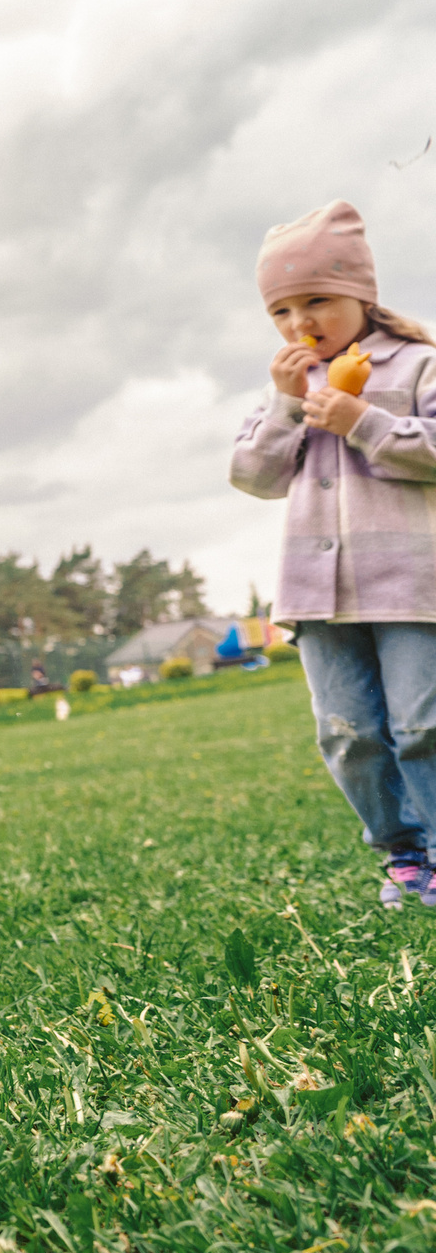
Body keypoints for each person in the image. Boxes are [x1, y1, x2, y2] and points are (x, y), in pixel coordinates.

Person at [230, 200, 436, 910]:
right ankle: (402, 854)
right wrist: (286, 406)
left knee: (422, 725)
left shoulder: (418, 365)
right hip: (316, 594)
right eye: (281, 311)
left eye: (316, 300)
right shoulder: (288, 387)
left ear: (360, 292)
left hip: (412, 585)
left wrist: (364, 421)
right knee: (348, 733)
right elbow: (253, 477)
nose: (299, 323)